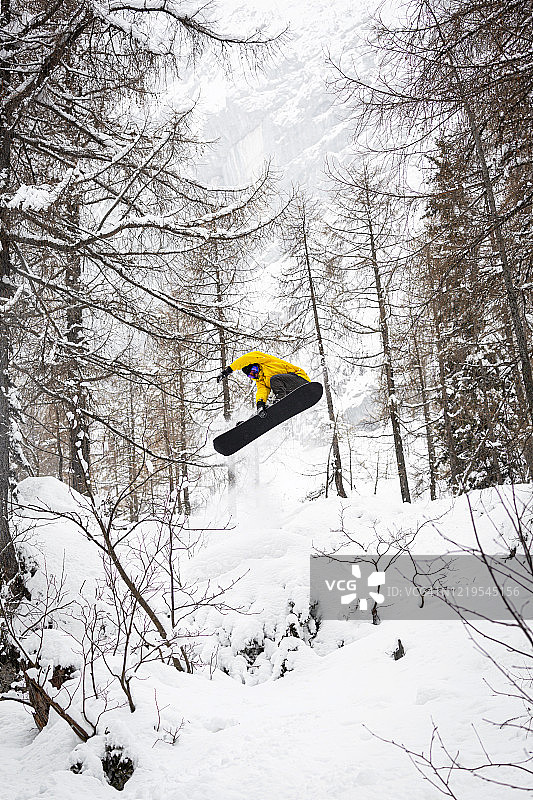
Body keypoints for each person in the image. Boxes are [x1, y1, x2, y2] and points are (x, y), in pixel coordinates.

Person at [217, 350, 310, 415]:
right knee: (267, 403)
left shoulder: (265, 361)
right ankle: (258, 416)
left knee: (274, 380)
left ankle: (280, 400)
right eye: (252, 375)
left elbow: (246, 358)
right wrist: (260, 405)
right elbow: (262, 392)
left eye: (254, 370)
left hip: (300, 380)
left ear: (257, 365)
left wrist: (228, 370)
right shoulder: (261, 381)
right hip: (291, 390)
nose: (255, 374)